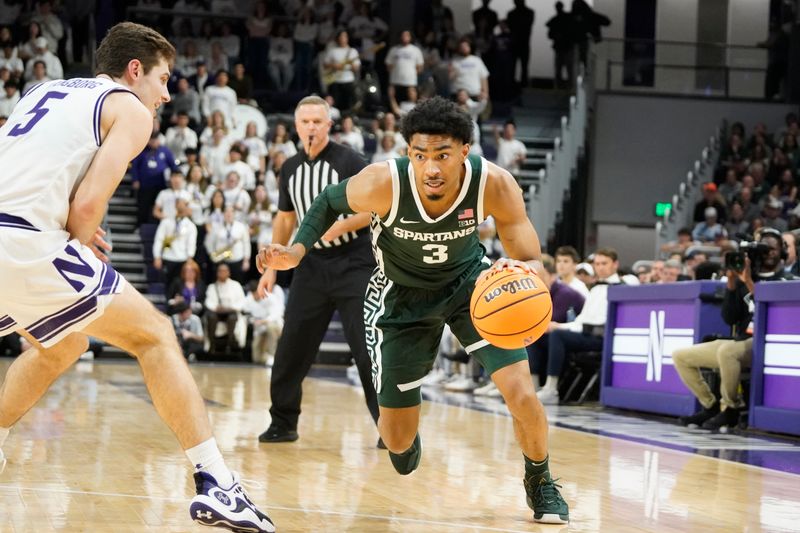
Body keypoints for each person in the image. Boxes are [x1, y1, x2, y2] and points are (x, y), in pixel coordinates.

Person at [0, 22, 273, 532]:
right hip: (24, 242)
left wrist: (72, 228)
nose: (166, 94)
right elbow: (85, 205)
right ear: (134, 71)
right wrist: (79, 236)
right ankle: (218, 483)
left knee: (62, 346)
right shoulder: (128, 107)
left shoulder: (42, 92)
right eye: (163, 79)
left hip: (10, 235)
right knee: (155, 335)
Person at [256, 96, 569, 524]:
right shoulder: (384, 182)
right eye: (421, 155)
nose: (432, 168)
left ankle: (540, 480)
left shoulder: (494, 183)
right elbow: (329, 201)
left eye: (443, 155)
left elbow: (532, 257)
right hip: (399, 297)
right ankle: (406, 424)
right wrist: (295, 251)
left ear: (465, 151)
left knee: (522, 394)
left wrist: (524, 269)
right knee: (397, 445)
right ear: (409, 154)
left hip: (470, 289)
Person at [256, 95, 380, 444]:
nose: (311, 126)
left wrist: (337, 226)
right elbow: (285, 219)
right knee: (291, 347)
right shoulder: (289, 167)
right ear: (296, 126)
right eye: (305, 121)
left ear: (329, 125)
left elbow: (374, 207)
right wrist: (271, 269)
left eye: (317, 121)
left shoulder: (350, 160)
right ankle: (283, 422)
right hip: (310, 266)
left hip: (354, 262)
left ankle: (389, 428)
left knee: (368, 348)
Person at [674, 228, 794, 430]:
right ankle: (711, 405)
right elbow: (729, 317)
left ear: (782, 252)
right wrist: (731, 283)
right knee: (682, 355)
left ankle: (732, 408)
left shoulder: (787, 281)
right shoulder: (743, 278)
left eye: (773, 249)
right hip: (741, 340)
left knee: (727, 351)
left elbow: (770, 310)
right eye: (765, 249)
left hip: (766, 342)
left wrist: (748, 282)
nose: (769, 253)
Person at [537, 248, 620, 405]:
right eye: (597, 264)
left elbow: (598, 323)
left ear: (615, 264)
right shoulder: (595, 289)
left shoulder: (621, 288)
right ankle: (532, 385)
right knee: (537, 335)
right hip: (585, 333)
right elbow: (582, 320)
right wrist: (559, 325)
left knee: (557, 335)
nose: (600, 267)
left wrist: (559, 328)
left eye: (604, 263)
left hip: (602, 338)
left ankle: (551, 388)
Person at [525, 254, 585, 391]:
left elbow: (552, 319)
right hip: (559, 332)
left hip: (576, 332)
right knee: (524, 336)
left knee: (539, 335)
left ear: (551, 276)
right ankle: (530, 385)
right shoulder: (547, 290)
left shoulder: (565, 292)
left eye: (541, 275)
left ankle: (550, 389)